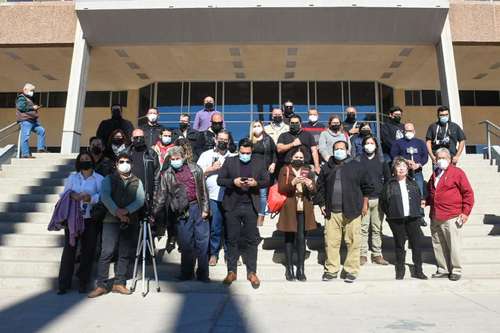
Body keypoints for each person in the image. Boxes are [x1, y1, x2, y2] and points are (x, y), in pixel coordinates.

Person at [88, 152, 145, 298]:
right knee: (107, 252)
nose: (124, 164)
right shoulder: (109, 179)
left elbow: (140, 200)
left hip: (129, 220)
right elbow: (105, 196)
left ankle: (119, 283)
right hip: (110, 220)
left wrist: (126, 211)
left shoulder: (137, 181)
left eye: (127, 161)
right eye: (121, 161)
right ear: (116, 164)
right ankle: (101, 284)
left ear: (131, 164)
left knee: (124, 253)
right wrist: (117, 212)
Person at [316, 140, 373, 283]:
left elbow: (367, 187)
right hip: (332, 212)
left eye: (342, 148)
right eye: (336, 149)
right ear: (332, 151)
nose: (339, 151)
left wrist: (364, 204)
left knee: (353, 241)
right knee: (331, 242)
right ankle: (331, 269)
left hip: (353, 210)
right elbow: (320, 187)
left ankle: (351, 270)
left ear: (347, 150)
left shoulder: (357, 166)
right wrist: (321, 203)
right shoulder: (327, 167)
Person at [217, 138, 270, 289]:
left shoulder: (259, 162)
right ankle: (231, 271)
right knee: (232, 239)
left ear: (251, 151)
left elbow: (267, 180)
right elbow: (220, 180)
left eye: (248, 153)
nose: (245, 155)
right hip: (232, 205)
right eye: (242, 152)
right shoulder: (230, 161)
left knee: (251, 240)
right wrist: (233, 182)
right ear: (238, 150)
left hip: (250, 206)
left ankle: (252, 272)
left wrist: (256, 183)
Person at [154, 146, 210, 282]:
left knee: (202, 243)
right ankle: (187, 273)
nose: (175, 161)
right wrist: (154, 213)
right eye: (172, 159)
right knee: (186, 244)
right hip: (181, 212)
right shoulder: (167, 174)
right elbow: (161, 196)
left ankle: (203, 273)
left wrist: (205, 209)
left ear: (183, 158)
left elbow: (203, 190)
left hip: (197, 208)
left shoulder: (196, 169)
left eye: (177, 158)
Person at [57, 152, 104, 294]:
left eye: (87, 159)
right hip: (72, 219)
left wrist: (91, 198)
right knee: (69, 251)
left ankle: (83, 282)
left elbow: (102, 196)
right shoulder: (72, 177)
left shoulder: (99, 178)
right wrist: (72, 195)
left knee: (87, 252)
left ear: (92, 161)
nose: (85, 161)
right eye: (82, 160)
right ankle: (63, 283)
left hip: (90, 219)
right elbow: (63, 194)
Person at [427, 148, 474, 281]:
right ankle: (443, 268)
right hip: (436, 215)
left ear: (449, 159)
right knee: (438, 243)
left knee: (454, 244)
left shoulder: (457, 173)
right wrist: (427, 201)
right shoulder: (435, 174)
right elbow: (431, 191)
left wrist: (465, 212)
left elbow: (468, 194)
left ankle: (456, 269)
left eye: (443, 158)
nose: (440, 160)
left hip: (451, 215)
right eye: (438, 158)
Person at [380, 157, 428, 280]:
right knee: (400, 244)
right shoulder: (389, 185)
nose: (401, 168)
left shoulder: (413, 183)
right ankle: (400, 269)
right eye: (398, 166)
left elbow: (420, 198)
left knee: (416, 244)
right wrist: (391, 215)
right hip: (396, 219)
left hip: (413, 218)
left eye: (404, 166)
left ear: (407, 169)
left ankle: (418, 270)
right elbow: (383, 203)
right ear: (394, 169)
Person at [277, 147, 316, 281]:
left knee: (301, 239)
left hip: (304, 208)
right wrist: (293, 183)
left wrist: (310, 185)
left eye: (301, 157)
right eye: (296, 157)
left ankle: (300, 268)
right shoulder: (285, 169)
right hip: (289, 208)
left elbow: (314, 191)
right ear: (291, 157)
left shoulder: (308, 171)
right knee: (289, 239)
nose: (298, 159)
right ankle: (289, 269)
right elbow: (281, 189)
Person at [197, 130, 235, 266]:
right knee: (215, 227)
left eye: (225, 140)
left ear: (229, 142)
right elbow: (198, 174)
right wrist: (211, 169)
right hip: (212, 197)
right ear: (215, 140)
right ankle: (213, 254)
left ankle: (229, 254)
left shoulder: (233, 157)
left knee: (230, 227)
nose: (223, 142)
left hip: (230, 197)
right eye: (220, 139)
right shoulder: (206, 155)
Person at [356, 135, 390, 266]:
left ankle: (377, 254)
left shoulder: (382, 161)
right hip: (363, 200)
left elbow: (388, 181)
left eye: (372, 143)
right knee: (363, 228)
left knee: (377, 228)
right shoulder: (358, 160)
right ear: (363, 145)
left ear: (376, 146)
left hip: (378, 199)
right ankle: (362, 254)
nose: (369, 145)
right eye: (367, 143)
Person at [391, 123, 429, 226]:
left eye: (411, 130)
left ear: (414, 131)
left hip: (417, 172)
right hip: (403, 173)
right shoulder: (397, 143)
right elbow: (394, 155)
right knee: (404, 194)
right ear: (403, 131)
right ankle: (405, 215)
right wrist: (406, 161)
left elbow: (425, 156)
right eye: (407, 131)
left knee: (420, 192)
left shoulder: (420, 143)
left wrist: (418, 164)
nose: (409, 132)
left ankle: (420, 215)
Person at [249, 120, 277, 225]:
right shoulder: (249, 140)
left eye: (259, 125)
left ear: (262, 127)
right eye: (255, 126)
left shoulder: (268, 139)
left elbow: (274, 153)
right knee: (252, 193)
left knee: (263, 193)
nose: (257, 128)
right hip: (252, 170)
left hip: (264, 170)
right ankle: (253, 212)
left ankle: (261, 215)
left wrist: (273, 163)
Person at [128, 129, 160, 208]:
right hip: (129, 195)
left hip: (146, 196)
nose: (139, 139)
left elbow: (156, 176)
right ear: (132, 139)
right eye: (136, 137)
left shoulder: (151, 153)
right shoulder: (126, 153)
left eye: (141, 137)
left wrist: (155, 196)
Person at [16, 83, 46, 158]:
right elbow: (21, 107)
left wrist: (35, 107)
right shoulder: (21, 98)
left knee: (41, 130)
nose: (32, 92)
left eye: (33, 90)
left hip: (33, 121)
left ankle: (40, 149)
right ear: (25, 89)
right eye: (31, 90)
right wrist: (33, 108)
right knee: (25, 137)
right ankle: (25, 154)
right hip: (25, 120)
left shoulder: (29, 98)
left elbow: (29, 107)